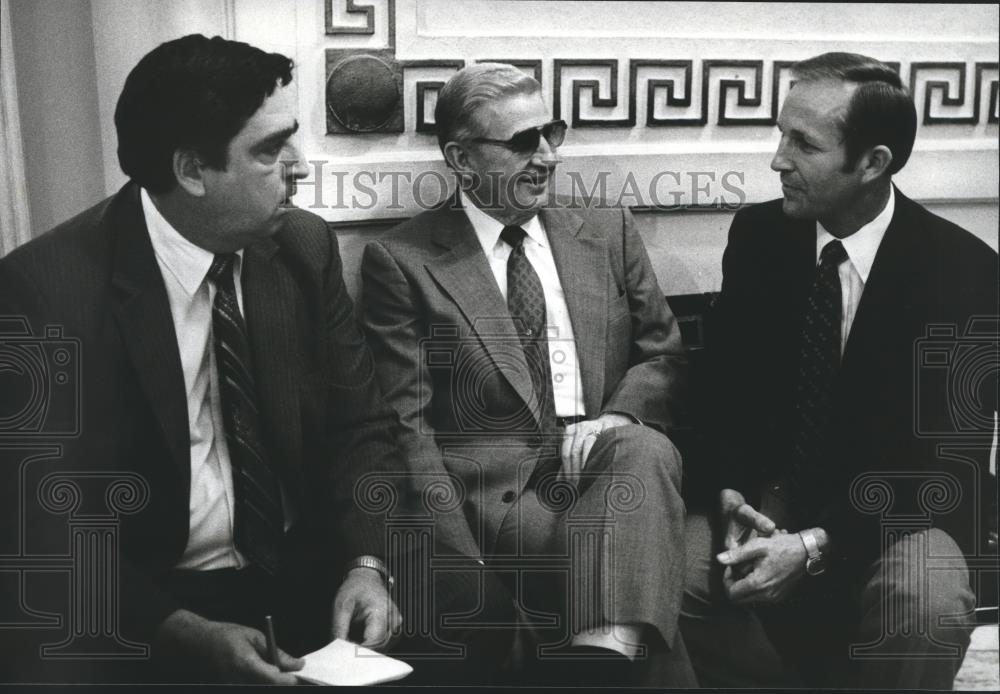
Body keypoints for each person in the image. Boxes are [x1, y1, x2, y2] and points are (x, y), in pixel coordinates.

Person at [0, 34, 410, 684]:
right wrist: (180, 632)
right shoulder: (46, 290)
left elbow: (361, 428)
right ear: (191, 170)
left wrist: (368, 564)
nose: (300, 167)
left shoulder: (301, 248)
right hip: (147, 603)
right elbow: (45, 522)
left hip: (304, 578)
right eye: (271, 150)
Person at [360, 62, 693, 686]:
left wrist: (615, 421)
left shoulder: (607, 230)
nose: (547, 156)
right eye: (521, 142)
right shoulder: (402, 262)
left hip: (612, 473)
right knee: (658, 583)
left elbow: (663, 354)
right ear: (462, 158)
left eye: (552, 132)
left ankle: (595, 664)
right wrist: (460, 570)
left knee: (641, 444)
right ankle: (605, 660)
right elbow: (409, 429)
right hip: (503, 503)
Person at [681, 52, 999, 689]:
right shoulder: (759, 236)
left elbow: (945, 467)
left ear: (873, 163)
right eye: (781, 133)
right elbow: (724, 391)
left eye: (803, 143)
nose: (778, 159)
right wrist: (731, 491)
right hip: (768, 495)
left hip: (893, 512)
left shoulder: (965, 274)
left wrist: (814, 545)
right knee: (673, 577)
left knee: (928, 602)